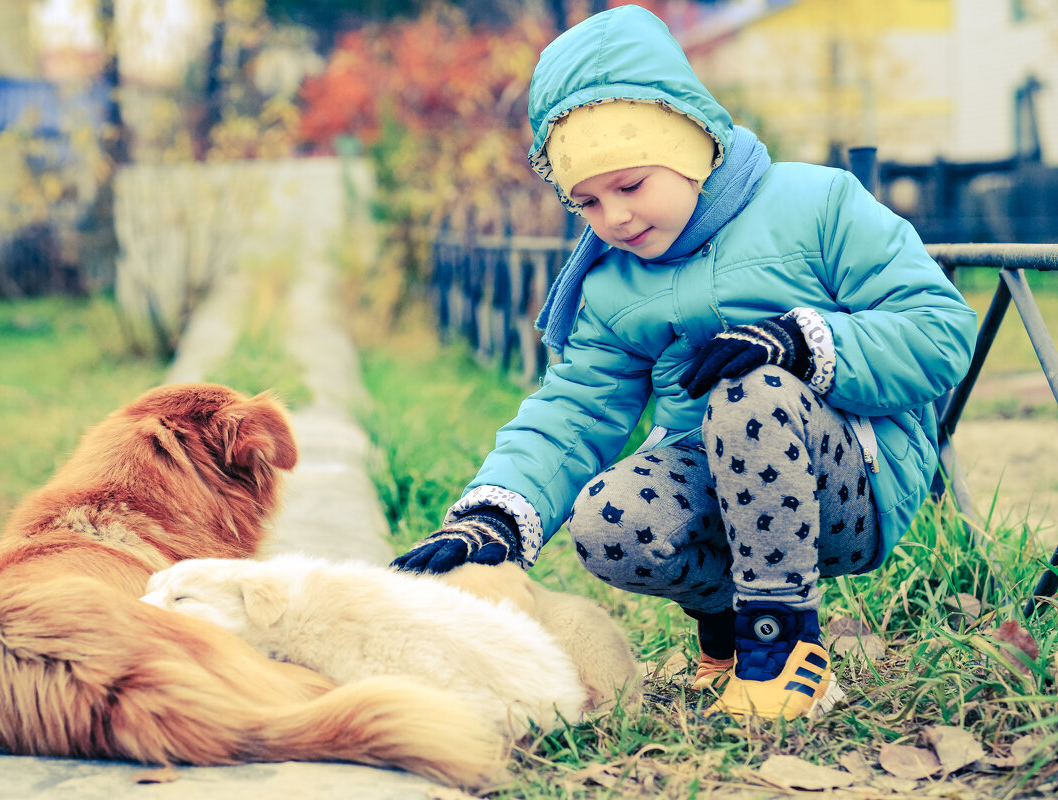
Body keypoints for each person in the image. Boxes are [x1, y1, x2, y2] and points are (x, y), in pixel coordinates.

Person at [392, 4, 977, 721]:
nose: (615, 220)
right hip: (720, 480)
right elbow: (573, 410)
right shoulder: (613, 281)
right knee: (606, 519)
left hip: (850, 478)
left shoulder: (816, 203)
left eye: (631, 185)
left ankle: (785, 642)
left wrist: (802, 344)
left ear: (693, 143)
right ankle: (731, 629)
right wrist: (493, 517)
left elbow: (941, 329)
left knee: (751, 393)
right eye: (587, 202)